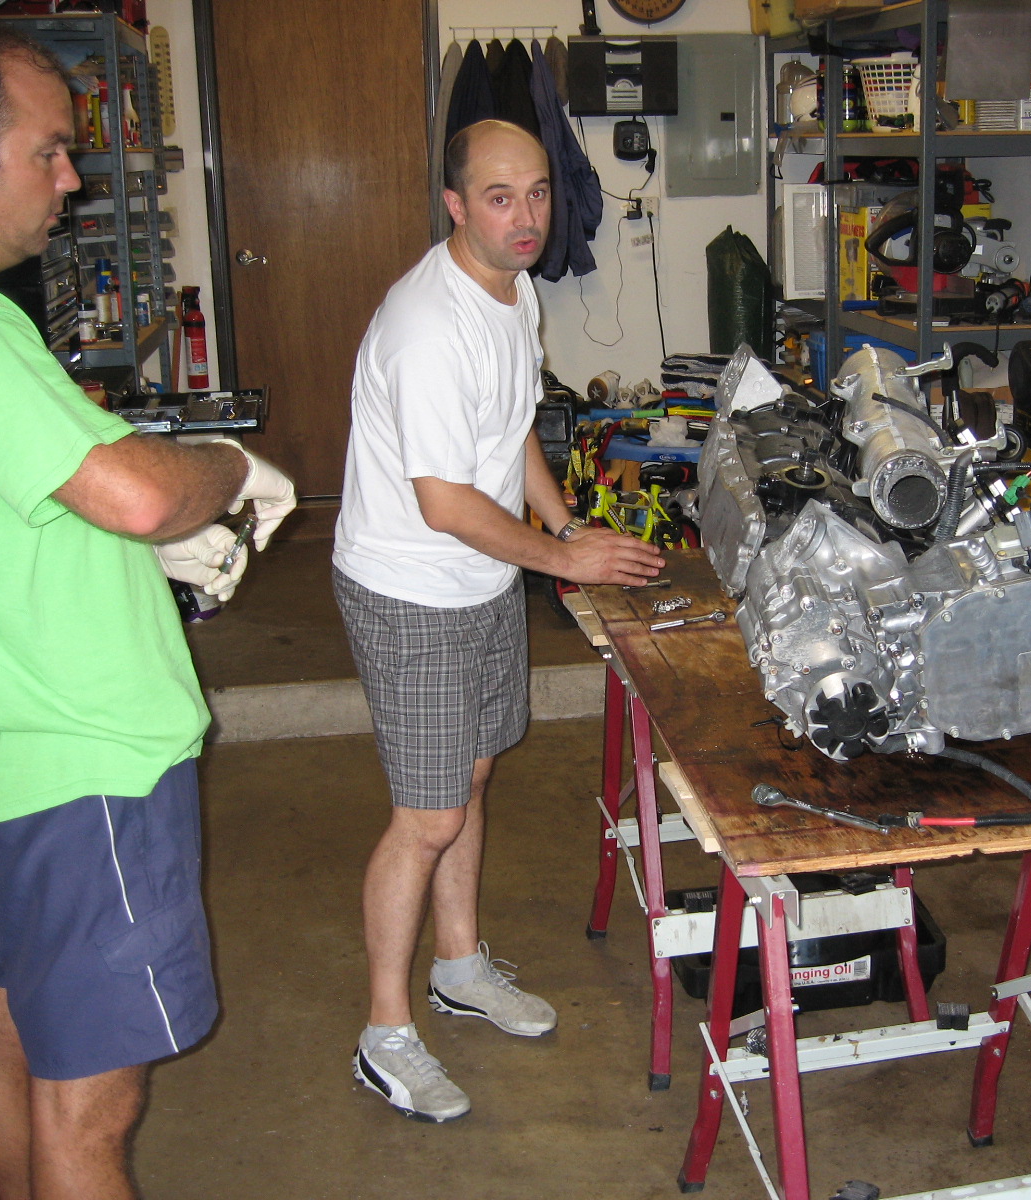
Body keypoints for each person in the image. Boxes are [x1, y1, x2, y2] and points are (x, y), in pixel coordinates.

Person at [0, 22, 296, 1199]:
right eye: (49, 151)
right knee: (90, 1109)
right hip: (88, 766)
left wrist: (123, 552)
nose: (72, 177)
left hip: (7, 752)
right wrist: (225, 467)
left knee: (12, 1034)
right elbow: (135, 494)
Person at [333, 118, 664, 1122]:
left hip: (479, 577)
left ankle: (458, 967)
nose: (525, 217)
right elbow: (443, 502)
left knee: (472, 775)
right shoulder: (428, 327)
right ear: (454, 205)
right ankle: (385, 1033)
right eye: (498, 197)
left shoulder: (514, 290)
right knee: (427, 815)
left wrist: (563, 523)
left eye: (537, 193)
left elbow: (511, 423)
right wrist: (562, 562)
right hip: (411, 588)